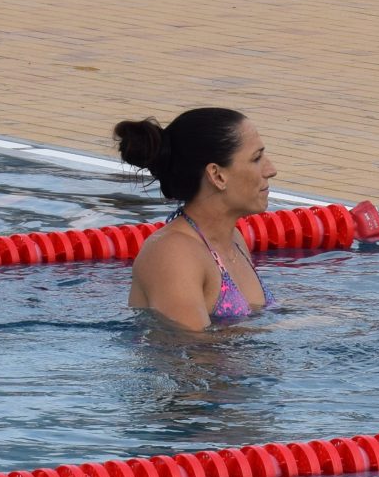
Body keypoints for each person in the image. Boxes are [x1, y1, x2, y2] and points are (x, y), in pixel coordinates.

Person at [115, 108, 277, 331]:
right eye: (256, 158)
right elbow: (191, 347)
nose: (271, 170)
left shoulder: (234, 239)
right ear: (217, 175)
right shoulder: (172, 253)